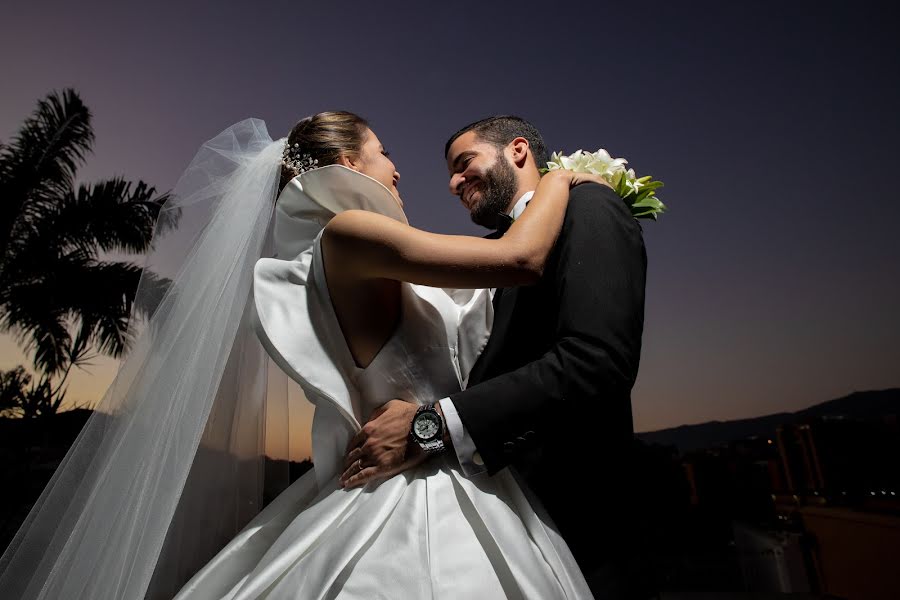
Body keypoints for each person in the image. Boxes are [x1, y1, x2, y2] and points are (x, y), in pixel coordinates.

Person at [0, 112, 610, 599]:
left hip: (441, 458)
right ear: (350, 162)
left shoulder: (347, 252)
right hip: (419, 481)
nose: (397, 169)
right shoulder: (350, 233)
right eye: (385, 152)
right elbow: (519, 262)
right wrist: (560, 178)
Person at [343, 116, 652, 599]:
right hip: (496, 520)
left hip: (579, 523)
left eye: (464, 164)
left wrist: (431, 425)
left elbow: (597, 362)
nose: (452, 183)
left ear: (518, 150)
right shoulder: (493, 253)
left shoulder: (589, 207)